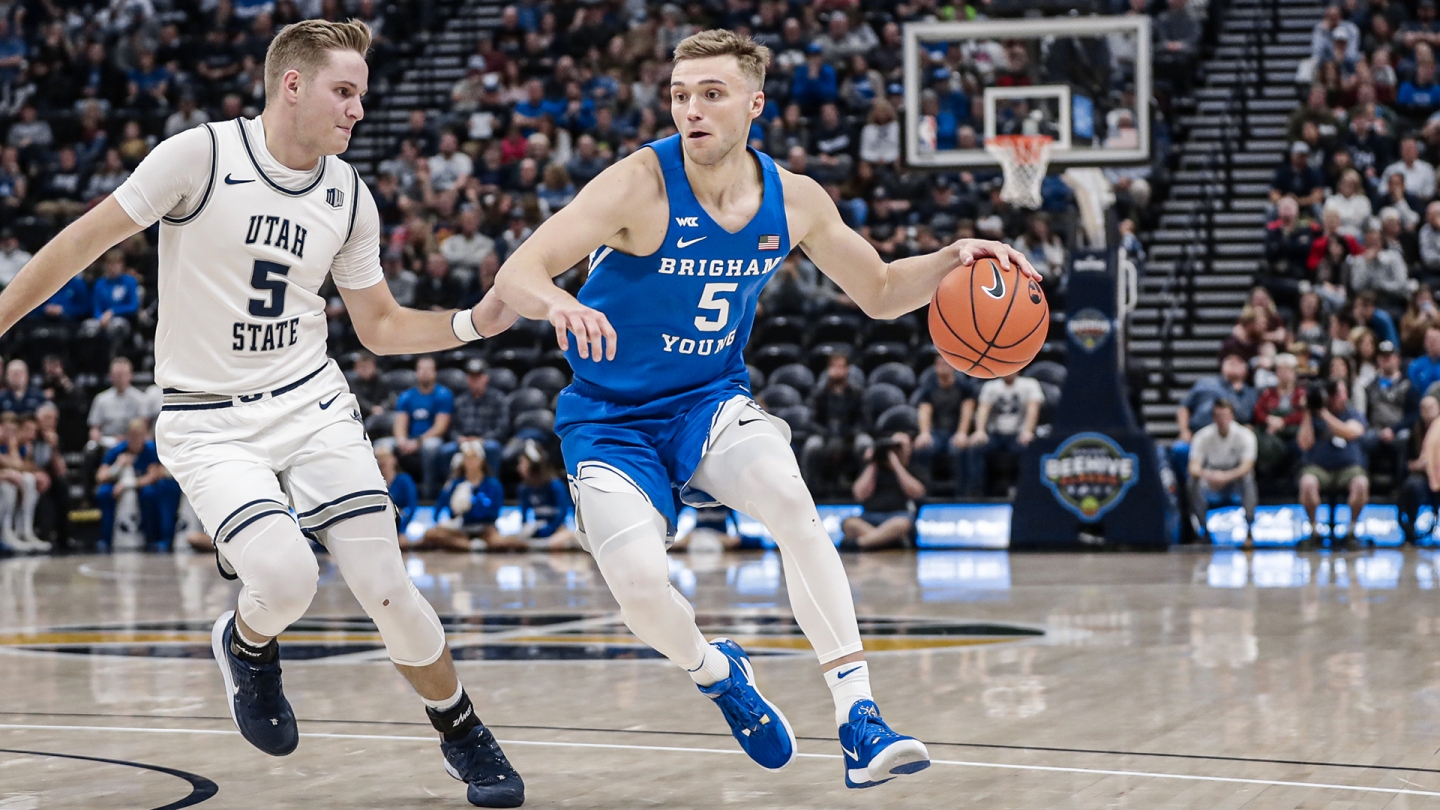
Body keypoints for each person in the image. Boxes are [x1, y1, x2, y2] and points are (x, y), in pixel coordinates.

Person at [0, 20, 524, 805]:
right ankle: (246, 646)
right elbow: (81, 244)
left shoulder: (349, 194)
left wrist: (469, 323)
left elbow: (378, 328)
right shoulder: (200, 157)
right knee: (285, 581)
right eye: (344, 92)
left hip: (311, 401)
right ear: (293, 85)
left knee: (387, 588)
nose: (357, 111)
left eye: (362, 96)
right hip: (207, 417)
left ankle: (460, 728)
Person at [491, 29, 1031, 785]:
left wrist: (950, 259)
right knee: (642, 589)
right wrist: (557, 304)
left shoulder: (796, 199)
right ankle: (717, 672)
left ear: (754, 104)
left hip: (708, 401)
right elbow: (518, 271)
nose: (691, 110)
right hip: (610, 420)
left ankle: (859, 718)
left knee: (790, 500)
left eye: (710, 94)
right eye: (679, 95)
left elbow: (877, 293)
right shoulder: (637, 184)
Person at [1297, 378, 1369, 547]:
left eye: (1340, 392)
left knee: (1361, 483)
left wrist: (1324, 414)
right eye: (1333, 393)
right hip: (1318, 468)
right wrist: (1308, 412)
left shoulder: (1352, 414)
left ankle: (1351, 532)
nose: (1338, 397)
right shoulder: (1313, 416)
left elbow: (1351, 432)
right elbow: (1304, 444)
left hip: (1349, 468)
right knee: (1307, 483)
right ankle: (1315, 532)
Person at [94, 418, 182, 551]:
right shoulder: (118, 450)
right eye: (133, 435)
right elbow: (100, 476)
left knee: (150, 493)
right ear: (127, 436)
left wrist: (128, 484)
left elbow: (154, 475)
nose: (136, 439)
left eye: (140, 435)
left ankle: (151, 538)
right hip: (117, 486)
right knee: (104, 493)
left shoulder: (151, 449)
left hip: (135, 486)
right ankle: (106, 538)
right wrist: (118, 466)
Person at [1187, 399, 1257, 546]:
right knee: (1192, 483)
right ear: (1213, 418)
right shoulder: (1203, 436)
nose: (1222, 420)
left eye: (1225, 415)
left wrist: (1226, 476)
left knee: (1248, 479)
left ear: (1232, 416)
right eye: (1218, 416)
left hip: (1234, 476)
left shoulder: (1245, 435)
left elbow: (1247, 466)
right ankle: (1203, 530)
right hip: (1211, 476)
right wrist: (1210, 475)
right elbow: (1193, 468)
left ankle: (1249, 530)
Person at [840, 432, 926, 550]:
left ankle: (861, 543)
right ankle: (889, 541)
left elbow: (917, 493)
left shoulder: (915, 469)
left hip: (898, 516)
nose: (895, 450)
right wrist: (874, 461)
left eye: (900, 446)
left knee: (902, 524)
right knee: (849, 523)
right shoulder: (873, 470)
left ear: (910, 448)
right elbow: (859, 494)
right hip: (870, 516)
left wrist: (896, 464)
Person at [416, 441, 503, 551]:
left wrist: (472, 505)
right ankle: (470, 545)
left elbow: (494, 512)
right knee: (430, 534)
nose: (470, 462)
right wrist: (448, 487)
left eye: (473, 457)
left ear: (481, 460)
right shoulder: (456, 483)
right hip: (461, 529)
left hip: (485, 528)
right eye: (467, 458)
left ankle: (471, 544)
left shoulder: (492, 484)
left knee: (497, 540)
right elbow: (439, 507)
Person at [492, 441, 577, 551]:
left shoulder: (554, 485)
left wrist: (549, 529)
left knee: (563, 537)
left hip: (557, 529)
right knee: (507, 540)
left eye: (522, 463)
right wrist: (526, 530)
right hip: (536, 528)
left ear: (533, 464)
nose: (519, 467)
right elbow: (524, 515)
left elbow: (562, 512)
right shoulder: (524, 488)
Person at [968, 372, 1044, 495]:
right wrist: (980, 431)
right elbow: (983, 409)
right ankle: (977, 491)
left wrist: (1028, 431)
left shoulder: (1030, 384)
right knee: (976, 447)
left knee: (1027, 448)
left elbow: (1033, 409)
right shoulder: (991, 386)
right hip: (996, 434)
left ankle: (1024, 491)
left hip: (1018, 434)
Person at [911, 354, 977, 496]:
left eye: (946, 364)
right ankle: (924, 494)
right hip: (938, 433)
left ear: (953, 366)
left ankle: (962, 494)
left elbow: (967, 412)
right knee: (922, 448)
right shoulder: (929, 389)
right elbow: (924, 412)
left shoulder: (964, 388)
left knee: (960, 449)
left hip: (956, 431)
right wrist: (924, 433)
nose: (943, 367)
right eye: (940, 364)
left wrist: (962, 433)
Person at [391, 355, 454, 499]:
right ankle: (389, 494)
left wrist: (418, 441)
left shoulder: (443, 395)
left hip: (431, 438)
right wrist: (401, 440)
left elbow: (440, 427)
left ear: (435, 372)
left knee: (430, 447)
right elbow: (400, 422)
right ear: (416, 372)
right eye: (421, 369)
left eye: (428, 369)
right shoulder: (407, 396)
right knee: (383, 446)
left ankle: (428, 495)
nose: (425, 372)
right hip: (410, 439)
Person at [438, 357, 507, 482]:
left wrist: (482, 439)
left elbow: (502, 427)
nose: (475, 380)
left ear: (486, 378)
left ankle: (492, 487)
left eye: (478, 376)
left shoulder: (498, 399)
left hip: (486, 440)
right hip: (464, 440)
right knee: (446, 451)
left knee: (493, 448)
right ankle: (451, 487)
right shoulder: (460, 401)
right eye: (472, 377)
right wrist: (459, 438)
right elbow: (453, 427)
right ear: (467, 379)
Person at [1398, 394, 1440, 542]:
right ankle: (1410, 529)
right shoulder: (1413, 431)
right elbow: (1405, 464)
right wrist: (1418, 465)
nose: (1427, 411)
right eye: (1423, 408)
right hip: (1422, 476)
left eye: (1431, 407)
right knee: (1411, 486)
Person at [375, 444, 417, 536]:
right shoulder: (373, 483)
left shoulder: (404, 480)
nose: (382, 461)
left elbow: (412, 506)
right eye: (379, 458)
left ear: (393, 459)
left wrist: (402, 530)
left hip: (400, 523)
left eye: (385, 457)